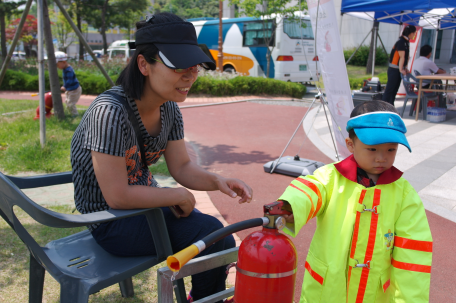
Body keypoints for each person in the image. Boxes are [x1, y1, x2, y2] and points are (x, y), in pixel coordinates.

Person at [70, 13, 252, 303]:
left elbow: (181, 166)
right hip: (109, 221)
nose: (190, 74)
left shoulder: (169, 109)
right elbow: (116, 196)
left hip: (144, 210)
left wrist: (217, 180)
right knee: (213, 235)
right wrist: (175, 195)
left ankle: (204, 297)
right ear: (144, 64)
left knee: (216, 236)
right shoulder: (109, 113)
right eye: (179, 65)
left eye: (195, 66)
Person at [277, 101, 432, 302]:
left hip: (374, 294)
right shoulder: (331, 177)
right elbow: (310, 188)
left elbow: (413, 254)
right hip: (329, 291)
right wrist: (291, 205)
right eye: (372, 149)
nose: (382, 158)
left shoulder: (404, 194)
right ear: (350, 144)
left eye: (391, 150)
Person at [382, 25, 417, 106]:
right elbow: (402, 57)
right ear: (411, 33)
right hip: (394, 69)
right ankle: (383, 107)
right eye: (414, 33)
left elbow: (406, 57)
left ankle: (390, 106)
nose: (414, 34)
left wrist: (405, 68)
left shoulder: (406, 42)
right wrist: (401, 69)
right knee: (389, 90)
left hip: (398, 69)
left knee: (394, 90)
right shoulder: (401, 42)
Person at [55, 51, 82, 117]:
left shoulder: (69, 70)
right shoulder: (65, 69)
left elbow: (70, 80)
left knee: (70, 104)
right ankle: (71, 114)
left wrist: (65, 86)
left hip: (74, 89)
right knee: (67, 102)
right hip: (70, 89)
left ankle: (75, 116)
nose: (57, 67)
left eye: (57, 65)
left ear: (64, 62)